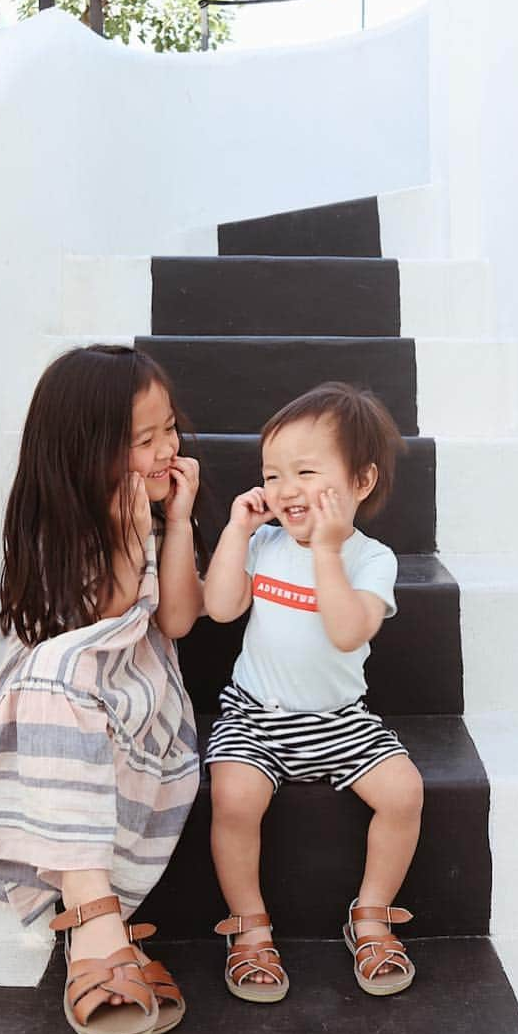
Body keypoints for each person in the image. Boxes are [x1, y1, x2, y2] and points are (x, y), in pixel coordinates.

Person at [0, 345, 203, 1034]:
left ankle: (90, 925)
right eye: (145, 439)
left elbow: (178, 621)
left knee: (58, 673)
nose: (168, 449)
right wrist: (125, 546)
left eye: (171, 430)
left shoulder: (160, 517)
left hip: (142, 705)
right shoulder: (58, 530)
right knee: (53, 670)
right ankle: (98, 920)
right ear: (91, 451)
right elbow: (79, 632)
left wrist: (178, 522)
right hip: (53, 708)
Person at [202, 382, 425, 1002]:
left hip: (337, 718)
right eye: (272, 475)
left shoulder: (372, 559)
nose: (284, 489)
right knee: (234, 797)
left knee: (404, 791)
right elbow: (220, 609)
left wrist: (327, 553)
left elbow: (348, 632)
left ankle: (372, 917)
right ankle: (250, 928)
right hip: (256, 713)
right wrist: (235, 533)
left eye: (305, 471)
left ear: (361, 481)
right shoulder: (265, 544)